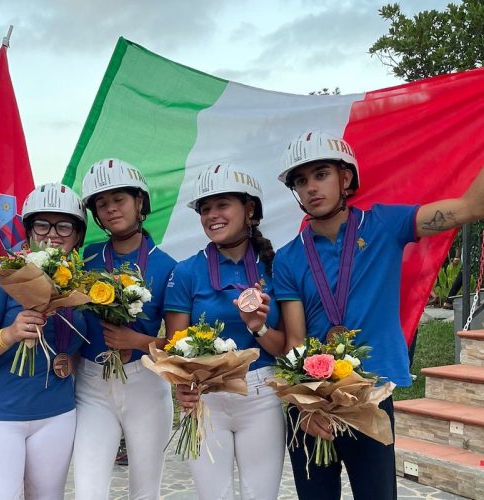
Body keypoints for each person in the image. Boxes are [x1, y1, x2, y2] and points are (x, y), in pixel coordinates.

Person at [273, 130, 484, 499]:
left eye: (321, 174)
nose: (311, 187)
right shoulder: (289, 257)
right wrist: (301, 406)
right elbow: (294, 342)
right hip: (311, 404)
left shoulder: (385, 225)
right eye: (301, 181)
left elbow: (471, 207)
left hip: (369, 394)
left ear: (346, 178)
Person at [165, 164, 287, 500]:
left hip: (261, 394)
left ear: (249, 209)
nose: (212, 215)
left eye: (222, 205)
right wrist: (181, 388)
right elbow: (175, 348)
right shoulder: (186, 271)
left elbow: (284, 348)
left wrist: (258, 327)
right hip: (206, 398)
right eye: (205, 208)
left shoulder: (277, 266)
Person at [0, 183, 87, 500]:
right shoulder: (5, 274)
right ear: (29, 230)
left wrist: (69, 360)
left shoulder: (81, 282)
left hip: (56, 414)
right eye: (42, 224)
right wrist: (11, 333)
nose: (52, 234)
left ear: (78, 235)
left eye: (64, 226)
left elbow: (79, 346)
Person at [73, 159, 176, 500]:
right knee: (88, 490)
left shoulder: (168, 266)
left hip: (144, 384)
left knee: (145, 492)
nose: (111, 209)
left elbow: (178, 346)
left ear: (140, 203)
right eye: (102, 204)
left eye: (119, 199)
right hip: (91, 384)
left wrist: (139, 340)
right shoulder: (84, 258)